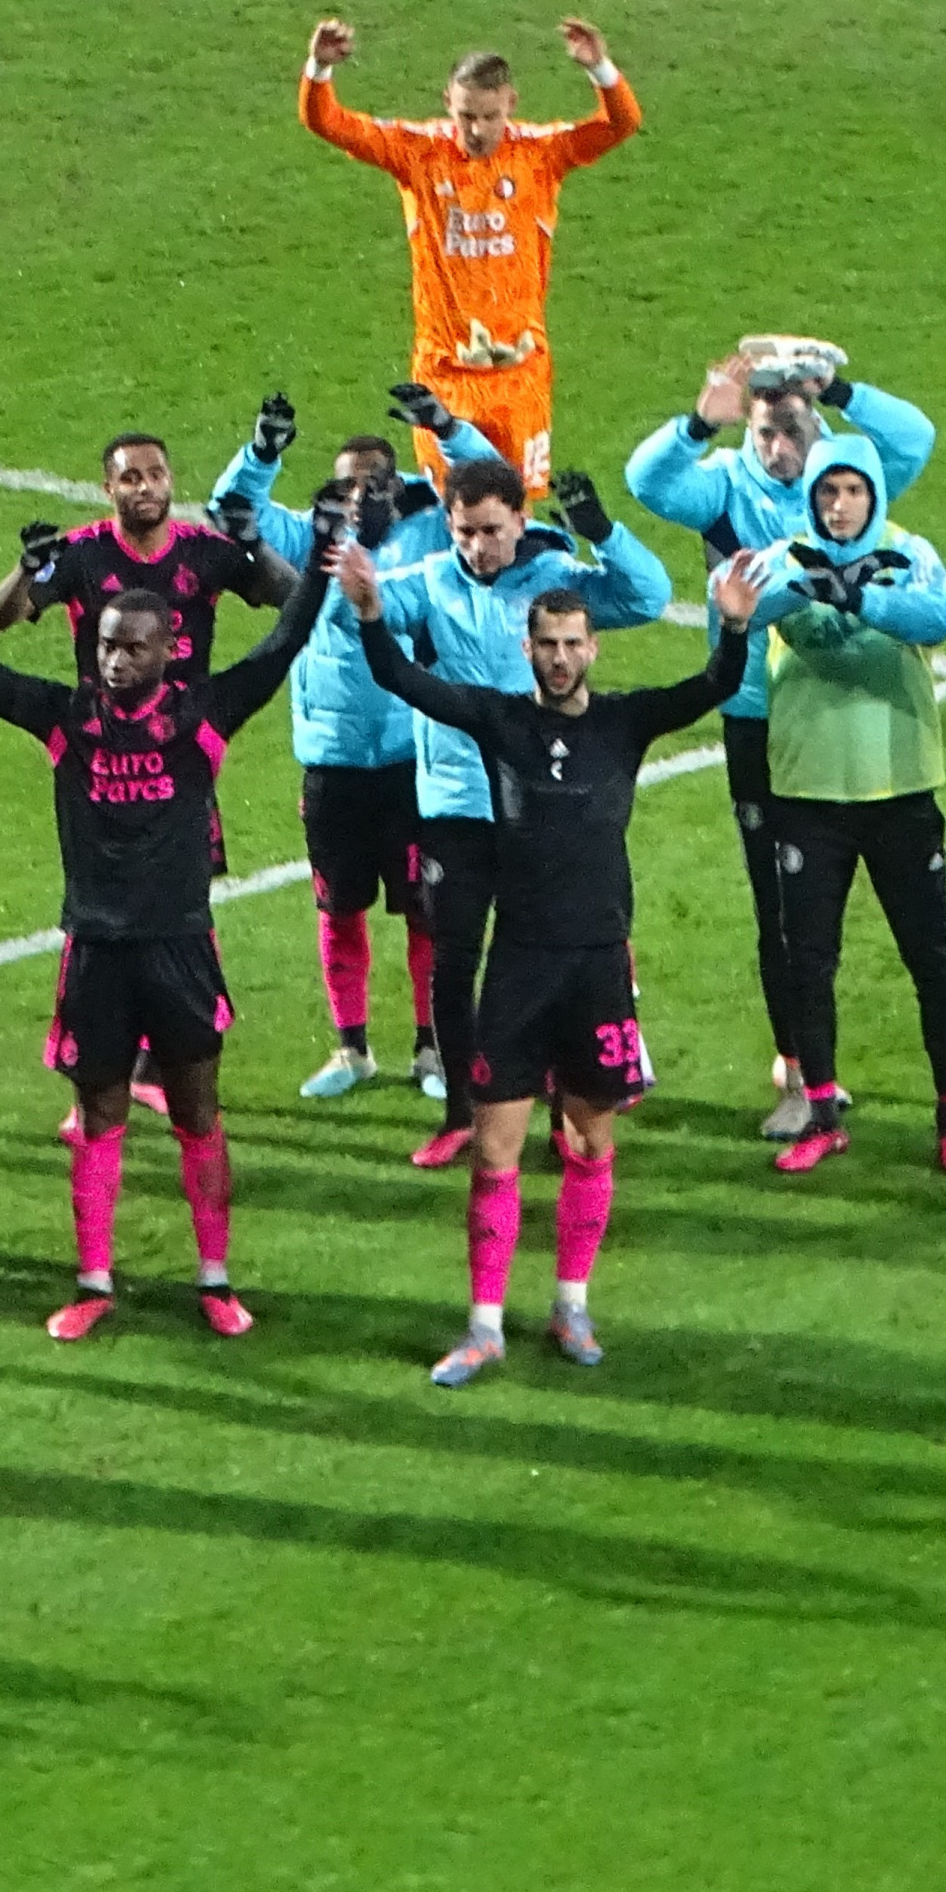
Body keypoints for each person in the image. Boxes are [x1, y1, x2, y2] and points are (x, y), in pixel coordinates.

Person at [0, 510, 331, 1339]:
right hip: (94, 950)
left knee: (198, 1114)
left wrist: (337, 545)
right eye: (104, 644)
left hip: (181, 947)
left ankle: (215, 1279)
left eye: (132, 646)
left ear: (171, 648)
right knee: (98, 1119)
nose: (113, 658)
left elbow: (284, 641)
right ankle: (94, 1281)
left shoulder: (204, 713)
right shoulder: (68, 718)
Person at [342, 546, 766, 1384]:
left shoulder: (624, 723)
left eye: (575, 642)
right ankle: (485, 1325)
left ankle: (572, 1303)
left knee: (588, 1140)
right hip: (522, 965)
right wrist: (366, 614)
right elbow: (404, 680)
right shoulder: (502, 720)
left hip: (599, 965)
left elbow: (713, 686)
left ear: (593, 648)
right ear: (527, 648)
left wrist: (736, 625)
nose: (562, 656)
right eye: (548, 643)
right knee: (496, 1151)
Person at [631, 340, 939, 1136]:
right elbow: (649, 481)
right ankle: (800, 1070)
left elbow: (916, 440)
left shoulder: (841, 491)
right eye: (765, 432)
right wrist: (699, 424)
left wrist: (839, 387)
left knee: (880, 910)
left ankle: (921, 1069)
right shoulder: (724, 488)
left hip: (848, 721)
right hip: (756, 716)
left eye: (793, 430)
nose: (778, 449)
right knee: (780, 908)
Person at [371, 458, 673, 1170]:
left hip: (540, 808)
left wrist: (603, 532)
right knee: (453, 960)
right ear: (449, 525)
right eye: (465, 530)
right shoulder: (428, 584)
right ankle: (460, 1111)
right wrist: (360, 583)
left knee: (558, 955)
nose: (479, 545)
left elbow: (650, 595)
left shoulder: (552, 584)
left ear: (521, 520)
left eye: (494, 530)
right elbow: (367, 625)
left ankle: (568, 1108)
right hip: (455, 800)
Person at [208, 387, 507, 1101]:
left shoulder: (435, 531)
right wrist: (262, 452)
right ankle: (352, 1049)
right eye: (350, 479)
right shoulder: (310, 538)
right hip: (332, 758)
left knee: (422, 910)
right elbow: (228, 512)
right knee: (338, 909)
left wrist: (444, 426)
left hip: (409, 757)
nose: (363, 490)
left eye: (376, 476)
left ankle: (430, 1048)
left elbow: (493, 476)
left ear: (398, 478)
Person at [741, 440, 946, 1173]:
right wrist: (821, 583)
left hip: (901, 788)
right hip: (809, 791)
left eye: (852, 490)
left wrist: (859, 594)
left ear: (875, 495)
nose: (839, 504)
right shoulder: (788, 554)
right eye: (828, 491)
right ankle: (819, 1114)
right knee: (809, 962)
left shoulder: (910, 551)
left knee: (931, 959)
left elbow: (937, 620)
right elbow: (752, 612)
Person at [300, 14, 641, 488]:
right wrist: (319, 69)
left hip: (519, 375)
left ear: (512, 105)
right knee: (450, 510)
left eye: (489, 116)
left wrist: (599, 68)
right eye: (465, 116)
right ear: (447, 104)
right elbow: (327, 121)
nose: (477, 129)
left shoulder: (539, 154)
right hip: (445, 374)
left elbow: (621, 123)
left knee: (514, 511)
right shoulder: (418, 152)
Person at [0, 431, 295, 678]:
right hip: (102, 732)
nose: (145, 487)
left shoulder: (204, 549)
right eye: (130, 478)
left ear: (170, 480)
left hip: (184, 731)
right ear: (109, 490)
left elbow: (293, 597)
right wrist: (25, 569)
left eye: (155, 475)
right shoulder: (81, 552)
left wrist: (256, 546)